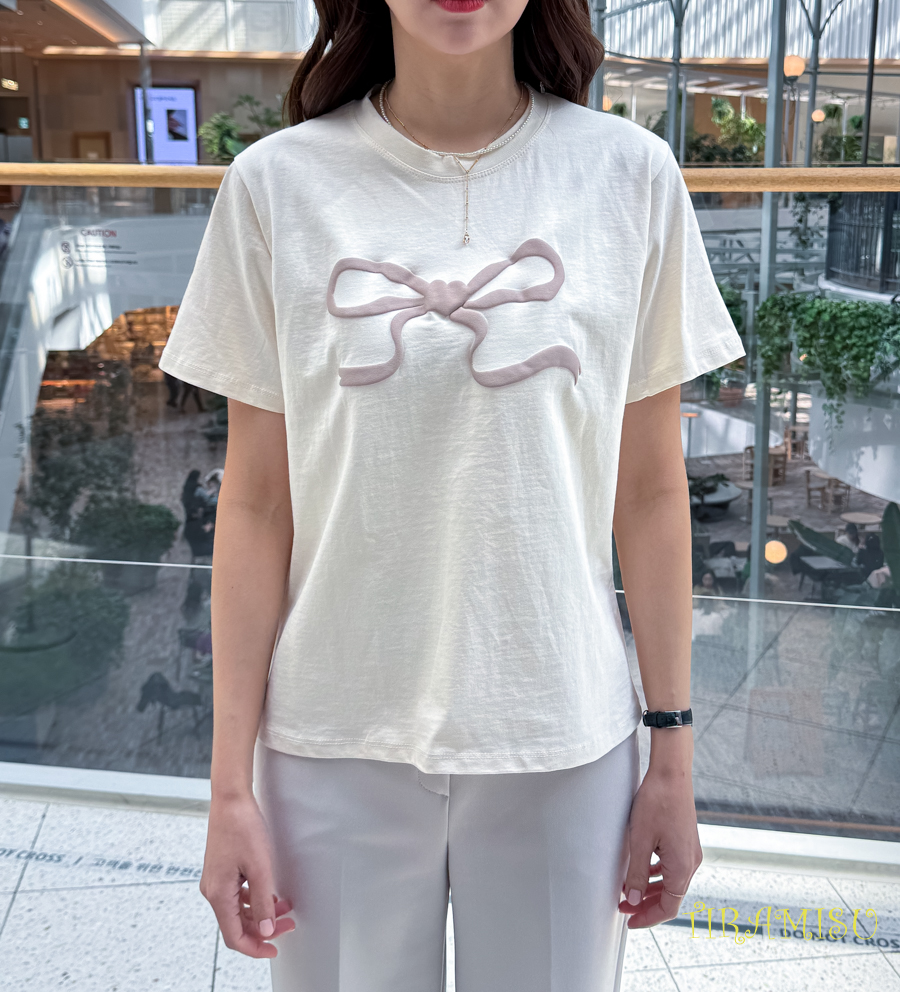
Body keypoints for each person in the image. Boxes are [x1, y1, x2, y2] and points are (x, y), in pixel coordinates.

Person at [157, 2, 744, 989]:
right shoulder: (274, 185)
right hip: (331, 735)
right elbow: (256, 503)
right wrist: (227, 789)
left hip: (562, 734)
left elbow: (648, 492)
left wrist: (674, 761)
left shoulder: (631, 176)